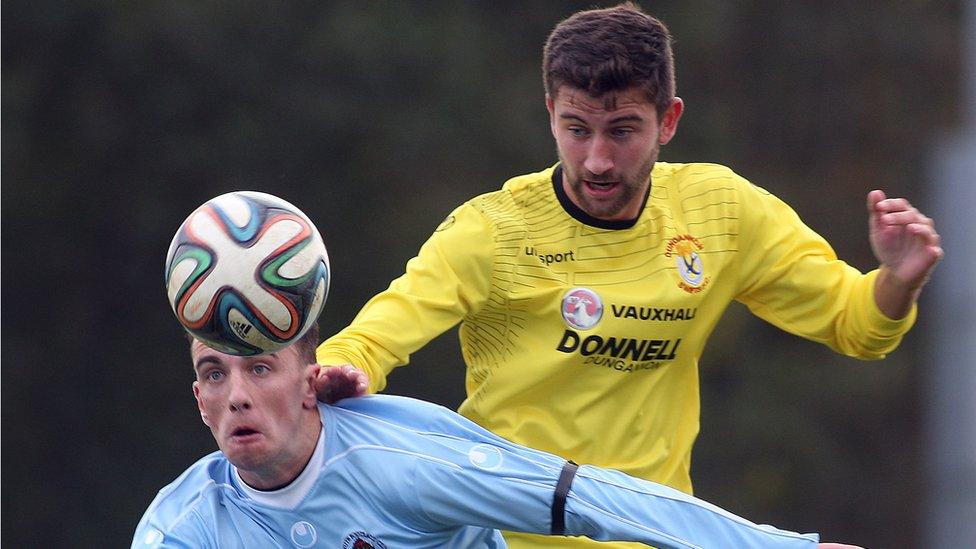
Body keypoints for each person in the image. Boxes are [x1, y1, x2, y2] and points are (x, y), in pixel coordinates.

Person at [314, 3, 943, 549]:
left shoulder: (721, 213)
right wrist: (344, 370)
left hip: (656, 536)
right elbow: (372, 339)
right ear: (550, 113)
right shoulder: (493, 232)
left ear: (668, 120)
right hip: (509, 539)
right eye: (576, 129)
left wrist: (898, 279)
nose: (597, 160)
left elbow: (858, 325)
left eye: (623, 131)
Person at [133, 325, 861, 548]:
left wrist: (777, 548)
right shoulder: (181, 527)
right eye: (214, 374)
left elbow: (585, 497)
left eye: (259, 367)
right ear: (198, 400)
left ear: (305, 379)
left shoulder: (401, 459)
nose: (237, 395)